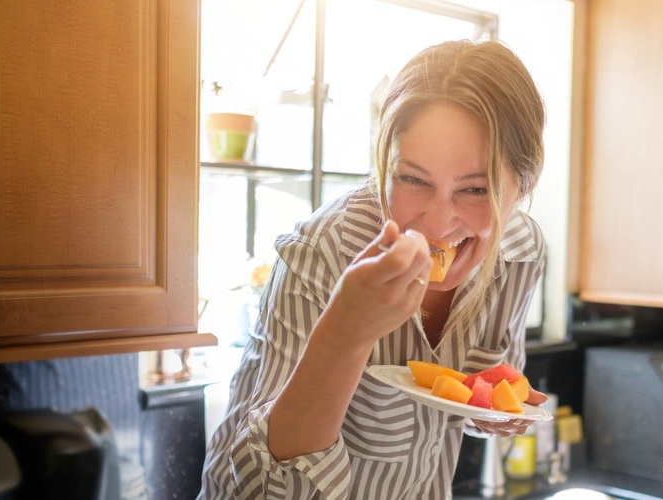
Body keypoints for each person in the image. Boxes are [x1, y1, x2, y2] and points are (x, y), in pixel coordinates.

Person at [198, 38, 547, 499]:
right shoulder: (321, 253)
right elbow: (253, 493)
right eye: (412, 180)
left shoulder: (520, 251)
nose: (439, 224)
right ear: (384, 165)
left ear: (522, 185)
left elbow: (474, 404)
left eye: (475, 191)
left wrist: (497, 409)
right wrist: (345, 332)